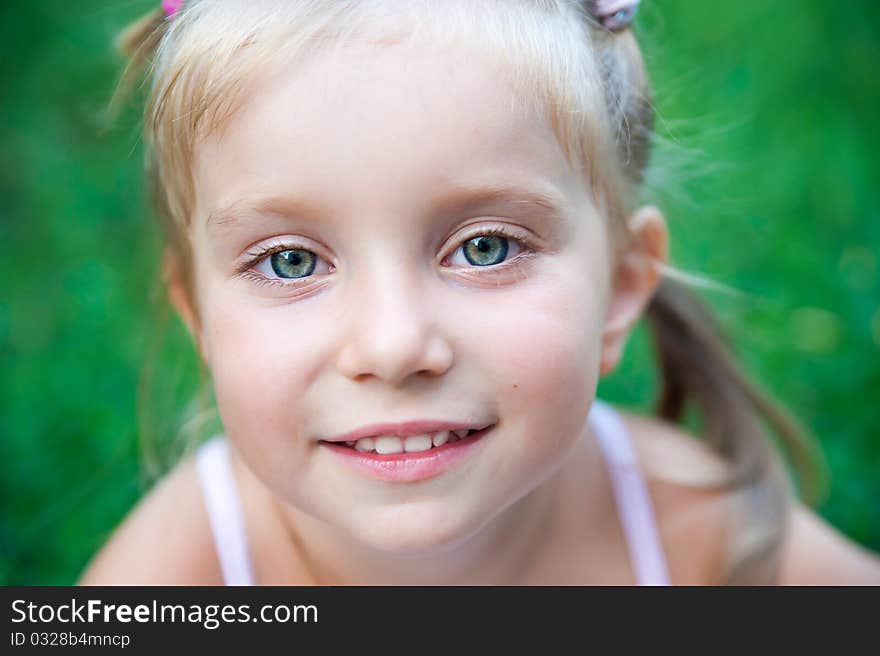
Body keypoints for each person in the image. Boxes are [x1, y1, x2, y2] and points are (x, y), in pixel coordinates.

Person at [79, 0, 880, 585]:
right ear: (200, 318)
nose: (393, 346)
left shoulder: (697, 534)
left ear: (622, 286)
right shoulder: (185, 573)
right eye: (291, 262)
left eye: (485, 248)